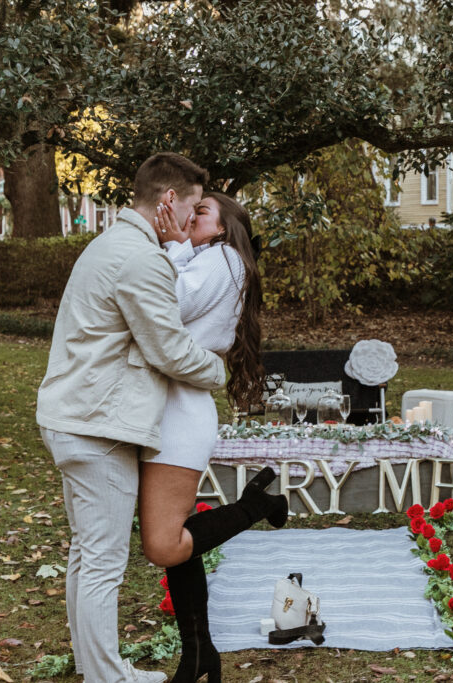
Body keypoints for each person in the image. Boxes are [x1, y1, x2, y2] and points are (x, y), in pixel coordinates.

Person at [37, 153, 229, 683]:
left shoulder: (113, 244)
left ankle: (94, 665)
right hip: (96, 425)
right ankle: (107, 678)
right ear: (169, 200)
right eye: (192, 207)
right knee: (101, 563)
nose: (193, 220)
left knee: (85, 557)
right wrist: (219, 371)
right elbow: (169, 349)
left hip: (76, 416)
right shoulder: (139, 258)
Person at [139, 193, 287, 683]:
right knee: (180, 540)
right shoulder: (212, 258)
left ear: (223, 228)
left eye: (201, 212)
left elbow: (168, 303)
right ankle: (198, 655)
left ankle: (256, 506)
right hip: (167, 403)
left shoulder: (223, 258)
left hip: (181, 409)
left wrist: (174, 246)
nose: (189, 215)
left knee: (164, 544)